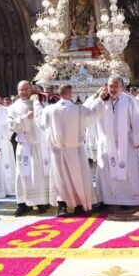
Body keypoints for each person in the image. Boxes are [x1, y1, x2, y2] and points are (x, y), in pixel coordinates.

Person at [89, 77, 139, 210]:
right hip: (107, 142)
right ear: (106, 86)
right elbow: (89, 114)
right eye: (110, 86)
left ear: (122, 87)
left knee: (127, 171)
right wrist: (98, 98)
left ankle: (128, 200)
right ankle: (105, 199)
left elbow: (136, 121)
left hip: (125, 143)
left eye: (116, 86)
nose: (113, 89)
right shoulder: (101, 101)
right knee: (105, 171)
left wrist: (138, 140)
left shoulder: (129, 101)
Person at [39, 84, 96, 216]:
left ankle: (62, 206)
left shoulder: (49, 110)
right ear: (70, 94)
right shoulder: (79, 110)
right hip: (75, 150)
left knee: (60, 178)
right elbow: (93, 114)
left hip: (57, 150)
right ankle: (79, 205)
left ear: (58, 94)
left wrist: (36, 104)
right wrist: (97, 98)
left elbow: (42, 125)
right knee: (78, 176)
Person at [8, 81, 52, 216]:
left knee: (39, 174)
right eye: (21, 89)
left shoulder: (39, 103)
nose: (24, 92)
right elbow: (11, 126)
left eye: (26, 89)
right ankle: (23, 203)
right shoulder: (13, 107)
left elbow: (48, 119)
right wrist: (25, 118)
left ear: (31, 89)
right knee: (22, 175)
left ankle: (41, 202)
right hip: (24, 144)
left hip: (39, 144)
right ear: (17, 90)